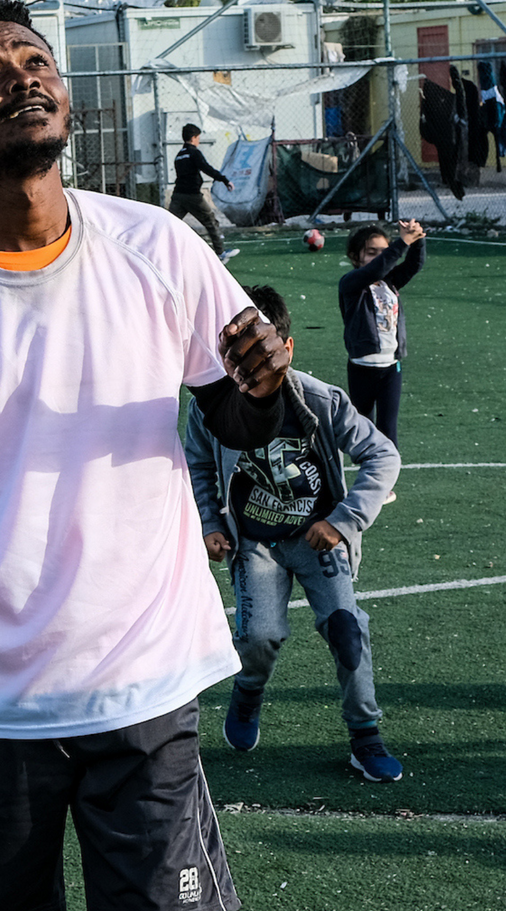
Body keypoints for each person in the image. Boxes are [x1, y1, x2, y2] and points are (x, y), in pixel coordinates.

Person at [0, 0, 293, 911]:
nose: (22, 81)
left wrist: (263, 391)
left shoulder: (157, 245)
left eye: (35, 63)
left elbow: (235, 426)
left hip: (144, 685)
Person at [184, 283, 402, 781]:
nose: (253, 373)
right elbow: (198, 462)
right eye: (243, 362)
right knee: (258, 637)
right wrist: (212, 522)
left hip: (313, 537)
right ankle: (248, 694)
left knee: (347, 631)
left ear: (287, 349)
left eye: (266, 358)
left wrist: (344, 521)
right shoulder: (210, 408)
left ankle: (365, 737)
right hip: (257, 544)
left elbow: (383, 456)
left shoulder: (321, 400)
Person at [338, 219, 426, 459]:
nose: (379, 258)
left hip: (390, 368)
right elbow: (374, 270)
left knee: (388, 427)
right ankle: (367, 472)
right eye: (371, 253)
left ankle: (385, 481)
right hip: (362, 369)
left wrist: (417, 239)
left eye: (383, 253)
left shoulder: (390, 281)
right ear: (355, 257)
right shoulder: (351, 283)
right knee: (363, 426)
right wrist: (401, 242)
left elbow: (415, 263)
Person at [169, 122, 238, 261]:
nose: (199, 140)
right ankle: (221, 253)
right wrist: (224, 180)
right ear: (194, 138)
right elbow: (206, 168)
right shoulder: (194, 153)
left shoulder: (179, 155)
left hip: (177, 196)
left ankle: (159, 253)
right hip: (193, 196)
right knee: (211, 221)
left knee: (170, 223)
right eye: (198, 137)